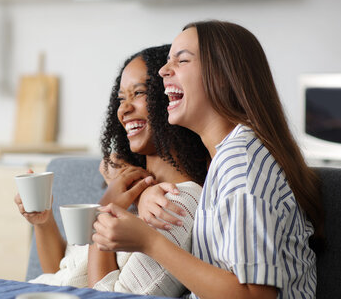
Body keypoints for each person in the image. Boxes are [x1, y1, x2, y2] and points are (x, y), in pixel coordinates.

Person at [92, 20, 323, 299]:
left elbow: (255, 296)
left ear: (222, 76)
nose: (164, 71)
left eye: (182, 60)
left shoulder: (241, 164)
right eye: (167, 62)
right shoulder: (225, 159)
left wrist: (150, 242)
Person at [14, 44, 209, 297]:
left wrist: (104, 211)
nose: (124, 109)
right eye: (121, 98)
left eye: (139, 93)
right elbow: (61, 273)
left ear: (170, 98)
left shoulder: (177, 204)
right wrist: (42, 222)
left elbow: (106, 295)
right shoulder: (129, 188)